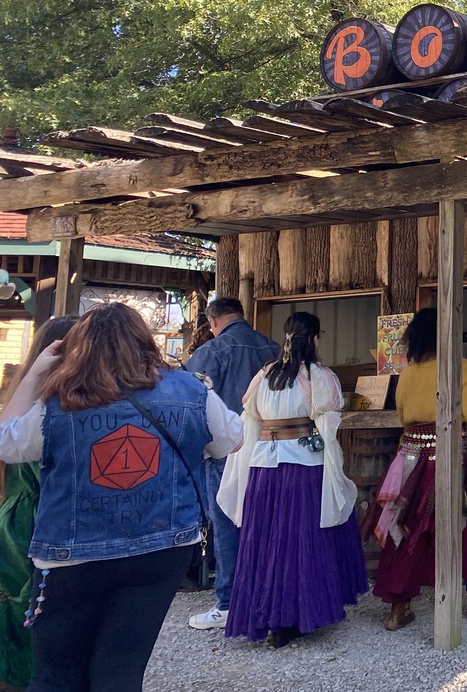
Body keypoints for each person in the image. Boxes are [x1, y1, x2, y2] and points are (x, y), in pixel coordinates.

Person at [0, 303, 242, 691]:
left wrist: (36, 372)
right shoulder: (189, 388)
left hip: (72, 556)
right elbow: (232, 437)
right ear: (144, 341)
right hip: (162, 549)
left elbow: (7, 444)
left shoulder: (62, 397)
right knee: (121, 672)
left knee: (57, 673)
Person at [218, 312, 366, 647]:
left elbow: (249, 414)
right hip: (304, 465)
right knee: (301, 541)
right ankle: (298, 615)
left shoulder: (265, 375)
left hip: (263, 467)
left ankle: (268, 616)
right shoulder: (318, 376)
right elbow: (331, 409)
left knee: (266, 541)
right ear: (314, 339)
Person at [372, 308, 467, 629]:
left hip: (411, 463)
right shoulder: (461, 367)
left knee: (406, 530)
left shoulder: (408, 372)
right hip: (451, 461)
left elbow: (403, 415)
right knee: (466, 526)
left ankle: (398, 609)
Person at [184, 297, 280, 631]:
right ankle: (268, 596)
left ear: (213, 321)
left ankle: (228, 601)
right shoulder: (273, 348)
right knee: (265, 523)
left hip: (226, 449)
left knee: (225, 522)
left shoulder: (211, 351)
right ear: (241, 315)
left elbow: (190, 400)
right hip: (270, 448)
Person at [0, 316, 76, 692]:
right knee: (29, 612)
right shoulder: (55, 407)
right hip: (35, 519)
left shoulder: (18, 394)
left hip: (17, 516)